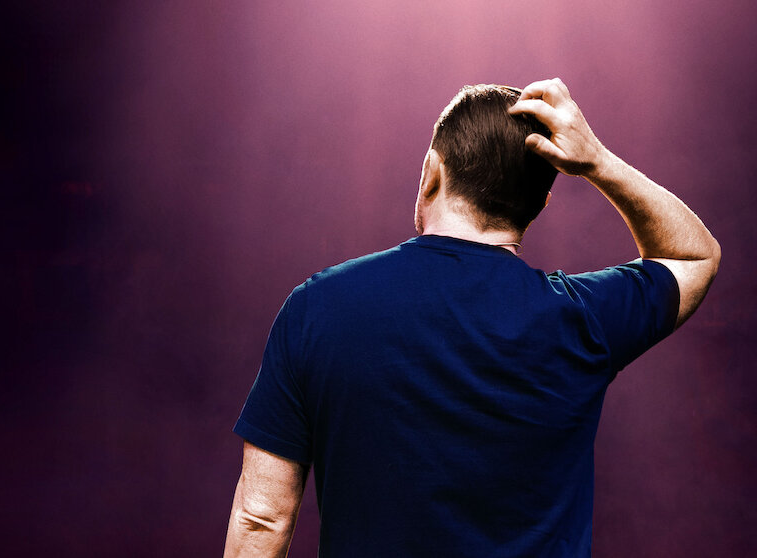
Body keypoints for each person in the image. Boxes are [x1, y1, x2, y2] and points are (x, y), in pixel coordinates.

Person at [222, 78, 720, 557]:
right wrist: (597, 162)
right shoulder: (580, 318)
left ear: (431, 173)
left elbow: (261, 519)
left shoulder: (317, 308)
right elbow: (695, 256)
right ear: (540, 204)